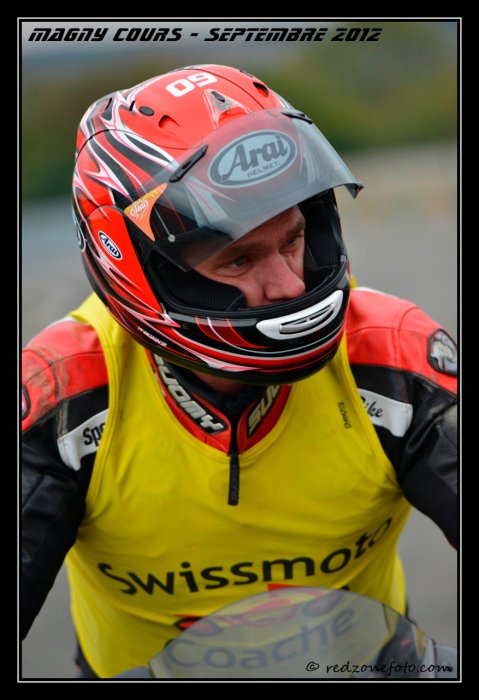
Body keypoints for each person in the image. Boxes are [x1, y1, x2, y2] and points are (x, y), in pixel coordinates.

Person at [21, 64, 457, 679]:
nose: (289, 285)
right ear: (144, 270)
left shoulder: (393, 357)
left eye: (293, 239)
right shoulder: (64, 393)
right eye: (238, 260)